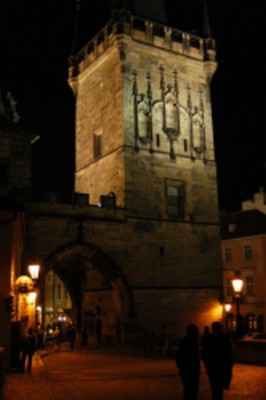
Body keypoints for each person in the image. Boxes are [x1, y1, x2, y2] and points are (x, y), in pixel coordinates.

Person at [202, 321, 234, 400]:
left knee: (217, 387)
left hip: (220, 366)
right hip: (214, 367)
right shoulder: (213, 339)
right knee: (216, 387)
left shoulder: (219, 338)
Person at [175, 324, 200, 400]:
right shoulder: (186, 343)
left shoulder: (192, 342)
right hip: (188, 370)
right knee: (190, 390)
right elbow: (180, 356)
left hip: (192, 370)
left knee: (192, 390)